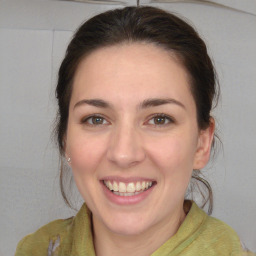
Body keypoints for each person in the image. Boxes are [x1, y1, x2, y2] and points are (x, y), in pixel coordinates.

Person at [15, 6, 254, 256]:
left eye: (160, 119)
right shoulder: (33, 250)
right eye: (96, 119)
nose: (123, 154)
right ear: (66, 140)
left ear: (202, 143)